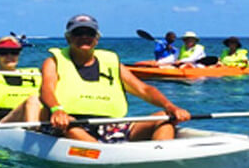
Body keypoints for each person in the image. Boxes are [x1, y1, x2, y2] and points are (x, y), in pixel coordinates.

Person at [40, 14, 191, 143]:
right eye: (78, 33)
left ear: (97, 39)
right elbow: (46, 89)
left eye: (89, 33)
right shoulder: (53, 62)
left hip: (110, 125)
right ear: (68, 38)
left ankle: (161, 160)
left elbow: (144, 89)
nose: (84, 37)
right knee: (71, 127)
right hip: (71, 123)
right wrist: (57, 110)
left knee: (164, 117)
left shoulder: (112, 63)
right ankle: (103, 160)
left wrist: (171, 107)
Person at [0, 36, 42, 122]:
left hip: (35, 117)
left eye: (14, 52)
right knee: (33, 99)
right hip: (5, 121)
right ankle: (33, 131)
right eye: (3, 52)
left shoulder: (34, 74)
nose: (9, 56)